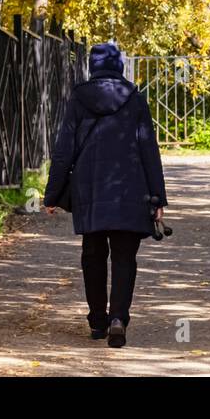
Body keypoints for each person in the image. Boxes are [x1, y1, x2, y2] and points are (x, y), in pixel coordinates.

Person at [43, 41, 167, 348]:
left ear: (93, 66)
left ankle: (97, 320)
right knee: (125, 257)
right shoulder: (135, 99)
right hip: (131, 188)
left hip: (90, 187)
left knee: (93, 255)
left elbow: (64, 150)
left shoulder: (78, 98)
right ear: (120, 66)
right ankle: (117, 318)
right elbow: (148, 148)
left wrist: (52, 194)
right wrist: (158, 197)